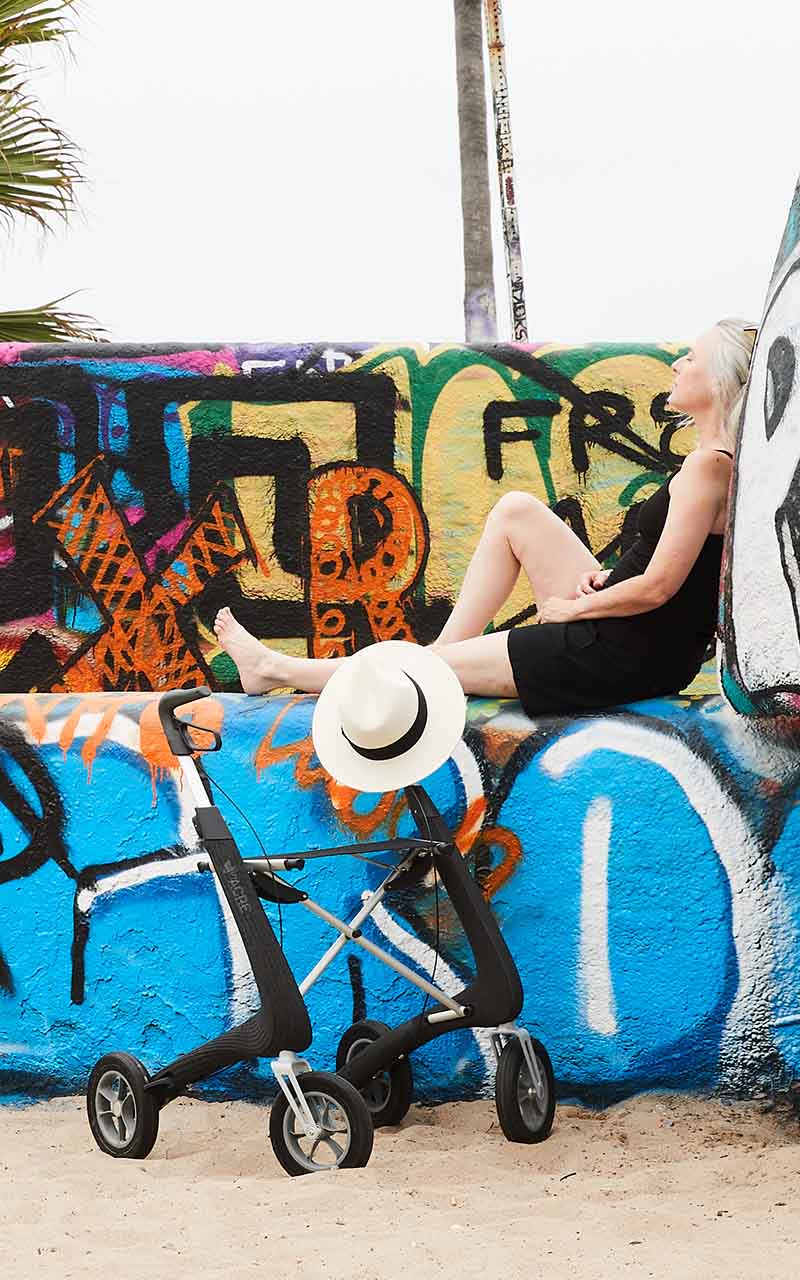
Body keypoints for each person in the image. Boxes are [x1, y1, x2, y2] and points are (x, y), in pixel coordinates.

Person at [213, 318, 757, 715]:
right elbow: (657, 572)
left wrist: (570, 611)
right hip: (627, 632)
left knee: (431, 670)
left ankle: (278, 670)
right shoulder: (709, 464)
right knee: (517, 510)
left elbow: (660, 587)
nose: (678, 364)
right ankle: (444, 654)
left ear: (718, 381)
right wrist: (602, 583)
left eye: (692, 358)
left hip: (620, 652)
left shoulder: (710, 468)